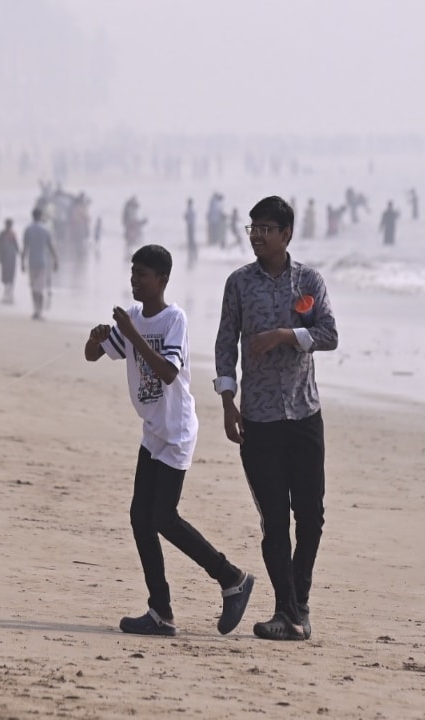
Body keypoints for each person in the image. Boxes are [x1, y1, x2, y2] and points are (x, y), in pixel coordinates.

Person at [86, 244, 255, 637]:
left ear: (162, 280)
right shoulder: (131, 318)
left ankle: (232, 578)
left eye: (142, 274)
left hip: (177, 431)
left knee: (163, 517)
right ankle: (160, 611)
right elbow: (93, 355)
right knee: (139, 518)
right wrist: (96, 340)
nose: (134, 280)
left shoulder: (172, 319)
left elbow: (165, 371)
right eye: (132, 272)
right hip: (152, 431)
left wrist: (132, 335)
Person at [214, 196, 338, 641]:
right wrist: (227, 401)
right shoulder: (239, 284)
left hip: (305, 414)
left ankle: (298, 604)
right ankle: (286, 611)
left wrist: (286, 334)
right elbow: (225, 344)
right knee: (274, 520)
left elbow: (329, 334)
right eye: (253, 229)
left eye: (266, 228)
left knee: (312, 516)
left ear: (286, 234)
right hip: (259, 419)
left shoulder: (308, 280)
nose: (258, 236)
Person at [21, 207, 58, 320]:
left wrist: (22, 262)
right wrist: (56, 259)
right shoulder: (45, 229)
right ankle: (39, 311)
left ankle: (36, 310)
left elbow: (25, 247)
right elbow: (50, 246)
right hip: (42, 262)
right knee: (40, 288)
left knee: (33, 287)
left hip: (31, 261)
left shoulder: (28, 229)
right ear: (40, 216)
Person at [0, 218, 19, 304]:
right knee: (5, 274)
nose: (9, 226)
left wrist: (19, 253)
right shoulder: (2, 234)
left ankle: (10, 289)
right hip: (5, 257)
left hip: (11, 257)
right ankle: (7, 288)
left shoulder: (12, 234)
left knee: (11, 274)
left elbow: (16, 245)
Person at [183, 198, 197, 269]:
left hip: (190, 225)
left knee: (191, 238)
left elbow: (186, 217)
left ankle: (193, 249)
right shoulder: (191, 209)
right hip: (191, 225)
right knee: (191, 238)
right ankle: (192, 250)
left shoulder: (190, 209)